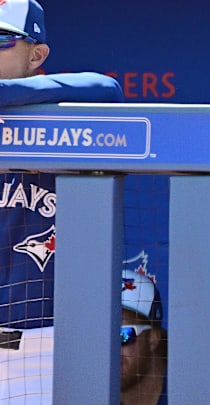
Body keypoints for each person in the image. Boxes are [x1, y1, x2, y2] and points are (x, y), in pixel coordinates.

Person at [0, 1, 123, 402]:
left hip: (38, 344)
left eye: (2, 40)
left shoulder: (64, 114)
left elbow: (107, 89)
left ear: (36, 55)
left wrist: (7, 93)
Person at [121, 269, 167, 405]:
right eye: (101, 338)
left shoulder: (191, 390)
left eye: (123, 335)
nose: (109, 350)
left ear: (153, 339)